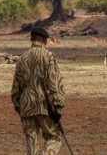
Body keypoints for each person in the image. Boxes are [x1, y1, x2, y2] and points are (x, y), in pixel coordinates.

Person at [11, 26, 66, 155]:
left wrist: (18, 106)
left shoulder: (22, 58)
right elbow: (54, 83)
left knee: (31, 141)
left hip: (26, 105)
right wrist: (58, 107)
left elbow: (15, 88)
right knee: (54, 137)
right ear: (42, 39)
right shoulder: (48, 56)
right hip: (44, 105)